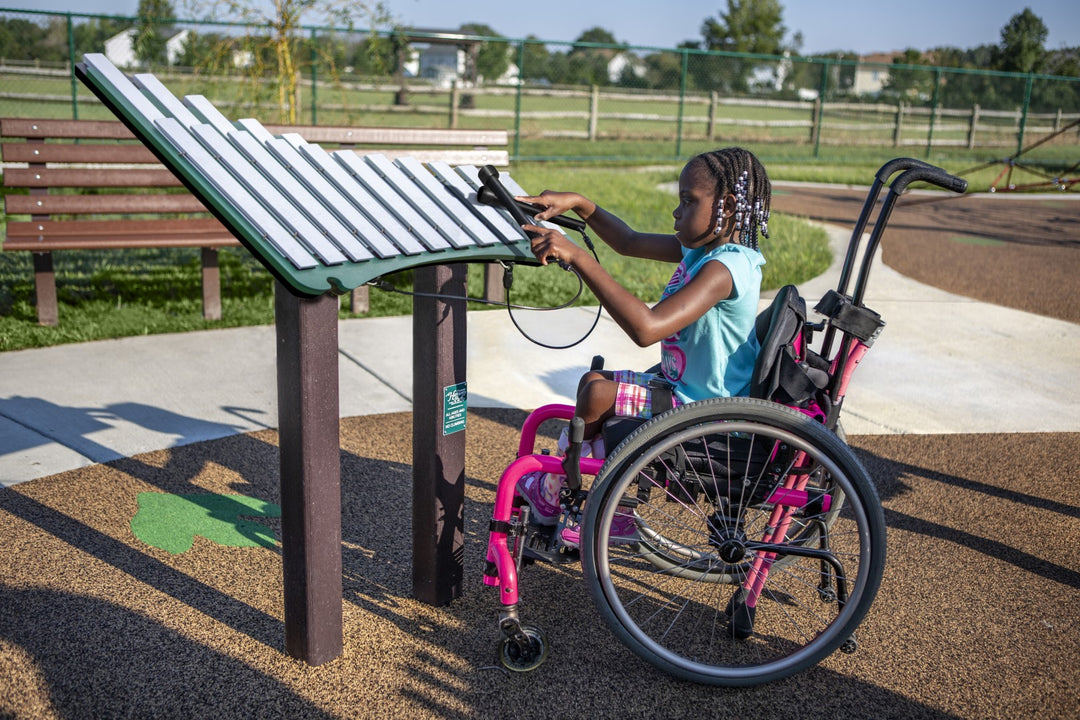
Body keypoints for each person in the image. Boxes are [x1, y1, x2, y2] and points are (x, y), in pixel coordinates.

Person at [515, 147, 771, 544]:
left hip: (708, 413)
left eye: (688, 201)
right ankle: (557, 493)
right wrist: (582, 204)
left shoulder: (726, 267)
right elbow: (629, 241)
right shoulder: (705, 250)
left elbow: (646, 328)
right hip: (683, 393)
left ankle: (590, 506)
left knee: (600, 393)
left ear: (728, 206)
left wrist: (580, 259)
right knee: (592, 383)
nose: (676, 211)